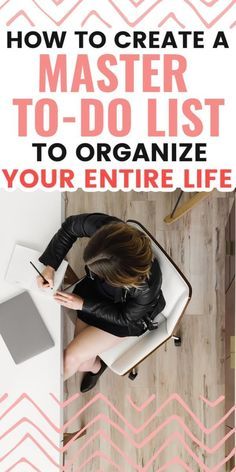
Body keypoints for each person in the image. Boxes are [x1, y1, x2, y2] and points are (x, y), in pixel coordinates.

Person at [37, 213, 165, 392]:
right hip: (94, 294)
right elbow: (70, 227)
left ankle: (43, 391)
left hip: (122, 316)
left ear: (121, 279)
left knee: (71, 360)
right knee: (82, 364)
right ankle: (97, 367)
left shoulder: (146, 286)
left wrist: (83, 305)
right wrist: (50, 267)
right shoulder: (107, 231)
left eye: (101, 274)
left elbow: (126, 318)